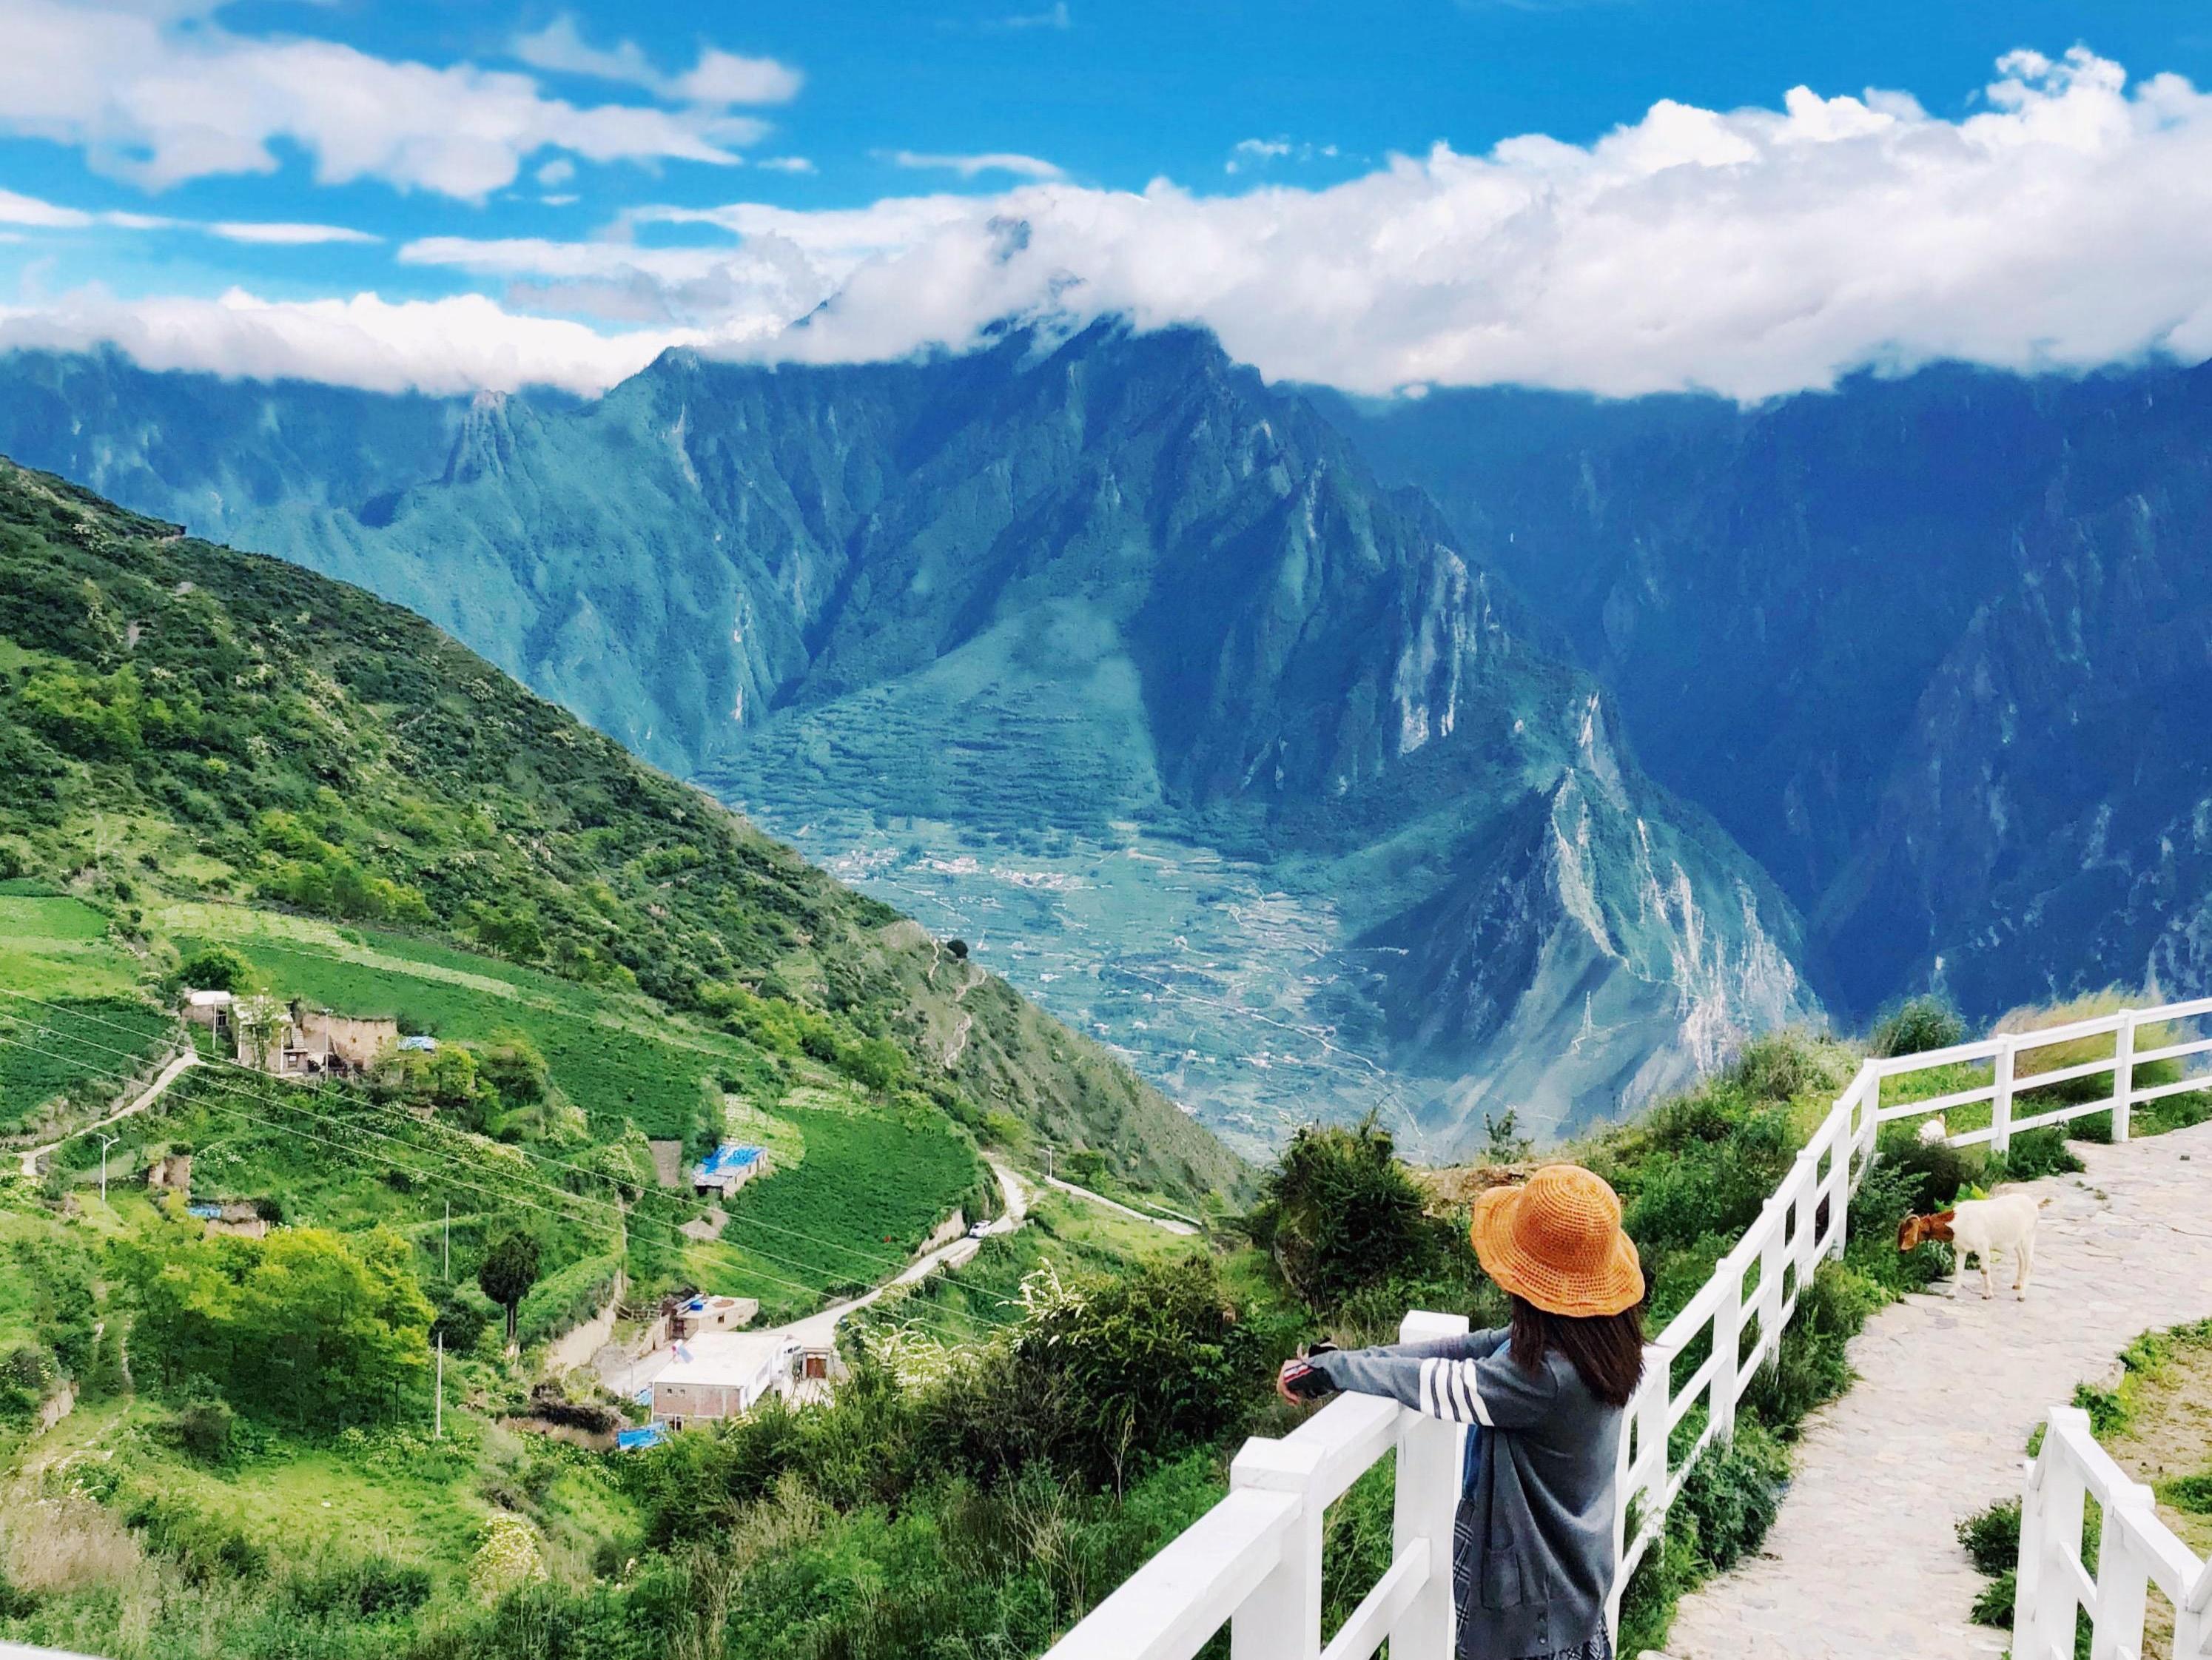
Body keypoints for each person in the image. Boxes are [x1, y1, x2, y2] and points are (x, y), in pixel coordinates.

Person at [1277, 1163, 1646, 1660]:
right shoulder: (1592, 1344)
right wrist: (1341, 1361)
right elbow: (1463, 1349)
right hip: (1569, 1596)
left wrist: (1328, 1372)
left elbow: (1437, 1383)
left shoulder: (1543, 1378)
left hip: (1530, 1623)